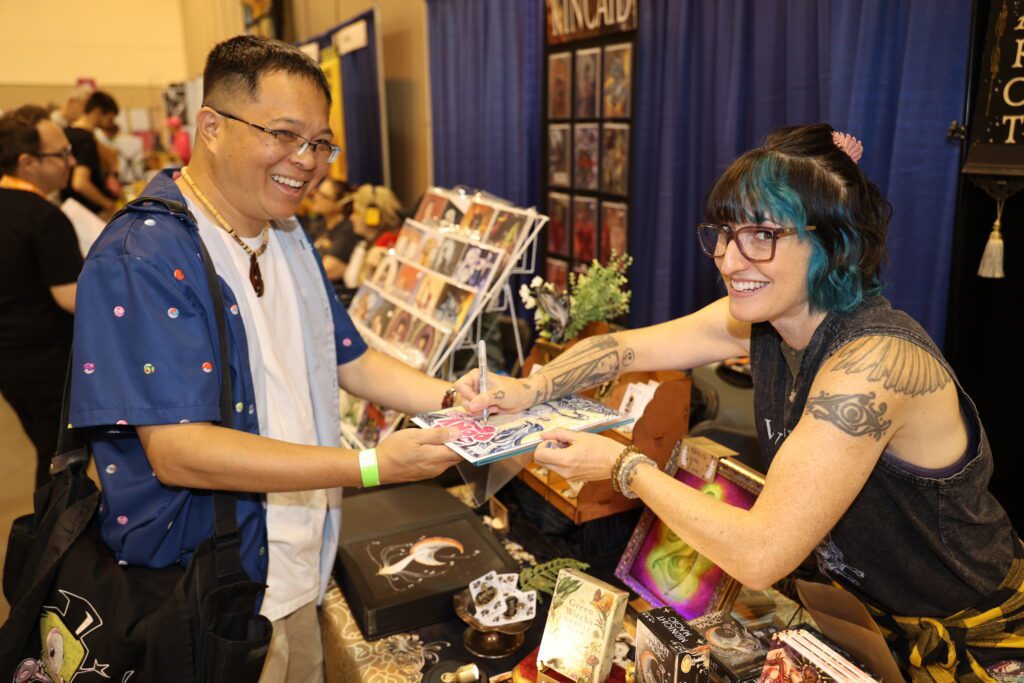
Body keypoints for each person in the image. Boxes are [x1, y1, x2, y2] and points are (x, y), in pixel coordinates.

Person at [458, 124, 1024, 680]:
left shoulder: (873, 366)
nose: (729, 261)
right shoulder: (768, 320)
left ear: (834, 242)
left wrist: (624, 467)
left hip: (975, 636)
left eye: (762, 236)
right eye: (726, 234)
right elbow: (623, 348)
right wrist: (529, 389)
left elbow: (760, 555)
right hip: (865, 622)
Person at [68, 36, 462, 682]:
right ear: (212, 127)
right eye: (283, 135)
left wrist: (455, 399)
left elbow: (349, 358)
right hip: (210, 591)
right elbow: (179, 449)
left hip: (297, 566)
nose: (305, 162)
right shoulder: (146, 254)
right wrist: (369, 465)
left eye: (320, 143)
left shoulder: (287, 232)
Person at [0, 105, 81, 490]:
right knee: (61, 459)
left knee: (47, 445)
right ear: (27, 162)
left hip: (10, 360)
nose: (71, 162)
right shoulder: (43, 217)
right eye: (61, 154)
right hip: (47, 361)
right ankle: (54, 527)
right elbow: (71, 298)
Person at [61, 90, 120, 216]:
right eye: (110, 118)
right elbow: (80, 183)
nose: (111, 124)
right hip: (85, 212)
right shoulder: (85, 139)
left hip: (68, 207)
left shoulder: (65, 132)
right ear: (98, 112)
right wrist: (108, 204)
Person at [310, 177, 358, 281]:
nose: (316, 197)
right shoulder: (319, 226)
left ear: (340, 204)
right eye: (317, 192)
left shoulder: (348, 229)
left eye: (323, 196)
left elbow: (329, 270)